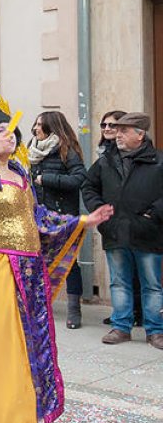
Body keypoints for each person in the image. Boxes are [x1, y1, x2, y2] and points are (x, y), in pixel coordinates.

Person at [0, 102, 111, 423]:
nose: (6, 135)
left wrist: (82, 221)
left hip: (27, 269)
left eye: (8, 130)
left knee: (24, 343)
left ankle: (20, 416)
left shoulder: (20, 172)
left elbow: (39, 218)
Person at [81, 112, 163, 350]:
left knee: (152, 285)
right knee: (119, 283)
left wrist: (155, 213)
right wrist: (100, 212)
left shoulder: (157, 161)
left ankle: (156, 331)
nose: (117, 135)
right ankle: (121, 327)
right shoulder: (106, 161)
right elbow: (88, 186)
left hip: (148, 233)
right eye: (117, 130)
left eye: (124, 131)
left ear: (140, 134)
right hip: (115, 232)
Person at [28, 111, 87, 328]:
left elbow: (80, 178)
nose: (35, 129)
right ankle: (40, 304)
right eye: (35, 124)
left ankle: (74, 309)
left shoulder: (66, 150)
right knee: (38, 259)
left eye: (40, 125)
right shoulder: (31, 149)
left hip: (61, 214)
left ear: (53, 128)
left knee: (69, 261)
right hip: (38, 214)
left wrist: (47, 179)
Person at [94, 111, 144, 328]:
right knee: (120, 277)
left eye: (112, 125)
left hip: (140, 225)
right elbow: (89, 185)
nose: (107, 129)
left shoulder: (139, 155)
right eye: (103, 124)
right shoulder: (104, 157)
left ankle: (140, 314)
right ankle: (123, 318)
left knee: (140, 275)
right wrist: (99, 210)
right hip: (114, 225)